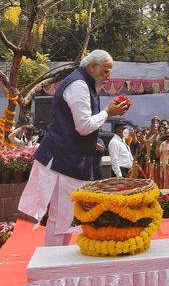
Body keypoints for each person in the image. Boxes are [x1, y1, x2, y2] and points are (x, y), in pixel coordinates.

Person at [18, 49, 129, 246]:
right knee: (61, 218)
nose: (108, 78)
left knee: (67, 217)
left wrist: (105, 114)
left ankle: (58, 260)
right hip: (62, 160)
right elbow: (84, 126)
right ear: (93, 67)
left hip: (69, 160)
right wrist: (107, 112)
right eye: (106, 72)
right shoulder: (78, 85)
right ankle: (53, 264)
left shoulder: (84, 83)